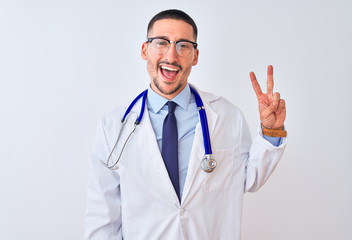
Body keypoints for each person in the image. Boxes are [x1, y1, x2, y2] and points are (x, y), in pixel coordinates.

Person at [85, 9, 287, 240]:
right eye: (161, 42)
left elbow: (248, 179)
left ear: (195, 55)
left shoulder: (226, 116)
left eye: (183, 45)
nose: (171, 56)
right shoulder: (113, 126)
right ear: (145, 50)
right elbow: (103, 218)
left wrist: (272, 130)